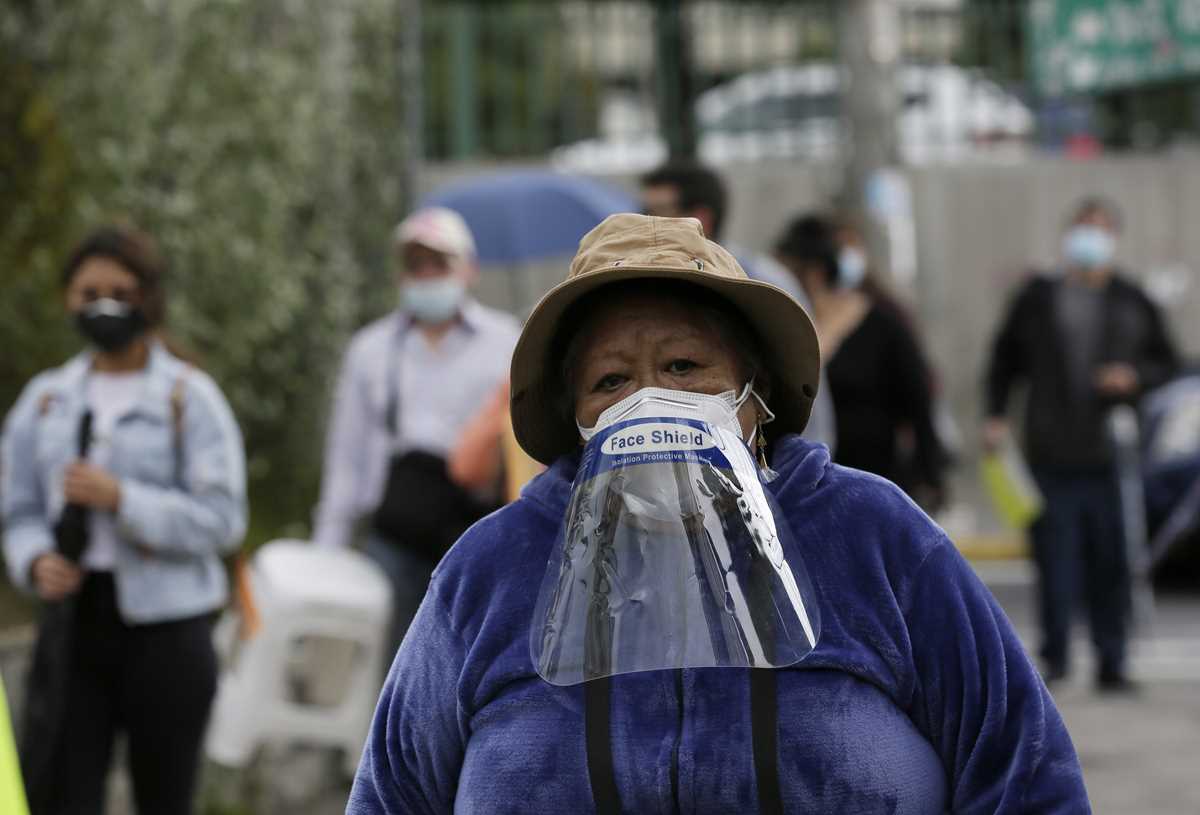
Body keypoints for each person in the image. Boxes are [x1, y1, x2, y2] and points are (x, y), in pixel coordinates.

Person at [348, 214, 1088, 813]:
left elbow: (1024, 770)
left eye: (684, 366)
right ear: (574, 416)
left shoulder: (872, 535)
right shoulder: (491, 570)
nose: (650, 399)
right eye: (611, 380)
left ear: (753, 394)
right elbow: (392, 795)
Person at [1, 224, 248, 814]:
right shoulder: (45, 399)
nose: (104, 307)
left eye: (120, 293)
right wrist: (34, 560)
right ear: (67, 299)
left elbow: (223, 519)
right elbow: (17, 508)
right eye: (89, 294)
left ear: (148, 299)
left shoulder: (190, 397)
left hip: (169, 629)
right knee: (61, 791)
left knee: (164, 795)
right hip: (73, 625)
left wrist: (124, 500)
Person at [984, 197, 1178, 691]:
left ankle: (1112, 658)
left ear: (1114, 238)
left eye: (1100, 229)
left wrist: (1133, 377)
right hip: (1050, 451)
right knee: (1055, 558)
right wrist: (996, 415)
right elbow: (1004, 359)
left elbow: (1168, 363)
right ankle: (1056, 656)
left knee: (1112, 557)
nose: (1090, 238)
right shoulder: (1038, 298)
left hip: (1112, 455)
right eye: (1083, 227)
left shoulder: (1132, 300)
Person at [313, 206, 520, 658]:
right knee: (392, 663)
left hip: (477, 532)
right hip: (395, 537)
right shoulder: (371, 350)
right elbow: (346, 460)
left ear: (468, 269)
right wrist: (326, 555)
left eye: (438, 264)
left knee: (475, 659)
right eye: (415, 265)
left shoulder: (505, 342)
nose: (426, 276)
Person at [640, 160, 837, 451]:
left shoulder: (761, 285)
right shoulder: (645, 290)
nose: (645, 225)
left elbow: (807, 398)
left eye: (655, 213)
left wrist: (801, 471)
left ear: (700, 219)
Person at [774, 213, 947, 512]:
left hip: (870, 490)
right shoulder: (783, 327)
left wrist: (930, 477)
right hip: (800, 491)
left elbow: (919, 401)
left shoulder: (883, 325)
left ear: (814, 274)